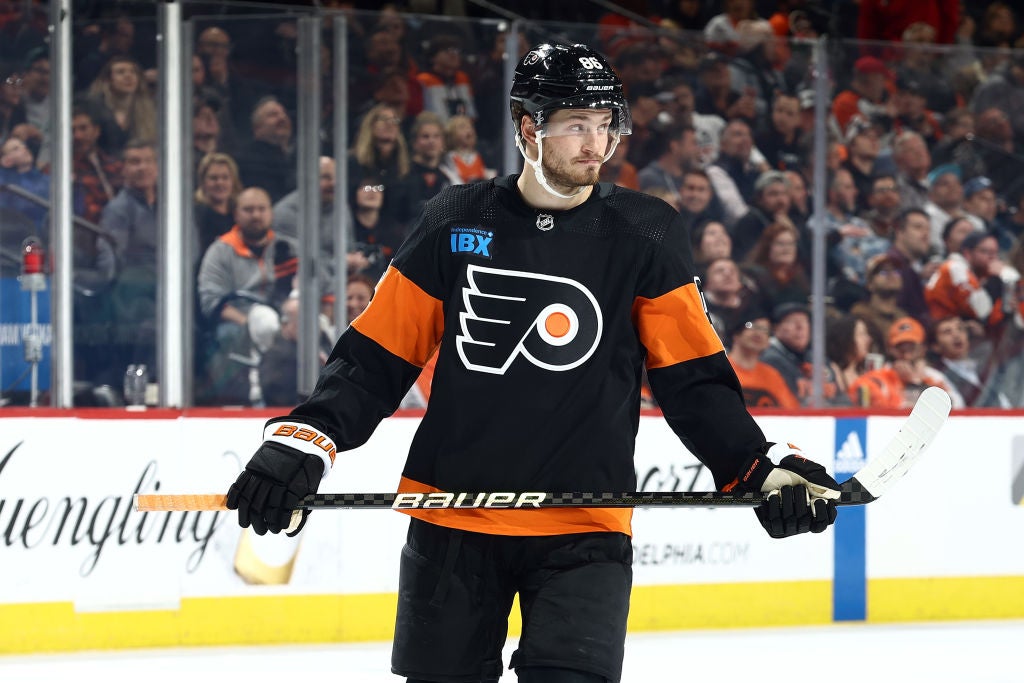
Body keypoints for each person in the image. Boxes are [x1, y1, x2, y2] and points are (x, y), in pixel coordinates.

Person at [224, 42, 841, 683]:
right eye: (576, 124)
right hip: (454, 517)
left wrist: (757, 466)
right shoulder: (455, 219)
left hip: (587, 525)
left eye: (604, 125)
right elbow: (376, 355)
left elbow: (693, 382)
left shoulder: (647, 233)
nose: (594, 144)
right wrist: (305, 442)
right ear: (528, 126)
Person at [849, 316, 959, 408]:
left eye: (911, 347)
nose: (906, 355)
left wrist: (917, 382)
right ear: (890, 349)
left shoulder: (934, 377)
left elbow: (957, 406)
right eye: (900, 348)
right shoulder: (878, 377)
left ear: (923, 348)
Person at [726, 312, 800, 409]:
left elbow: (791, 412)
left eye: (765, 330)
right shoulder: (721, 370)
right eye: (751, 326)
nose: (758, 333)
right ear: (736, 333)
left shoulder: (772, 375)